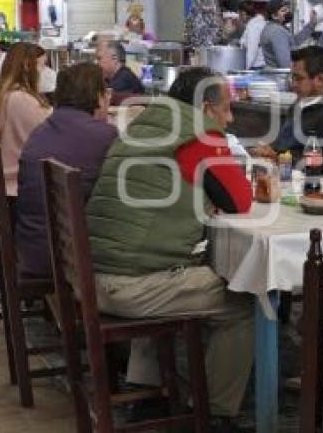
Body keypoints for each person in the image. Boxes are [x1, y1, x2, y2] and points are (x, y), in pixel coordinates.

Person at [85, 67, 254, 430]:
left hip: (92, 276)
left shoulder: (144, 125)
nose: (230, 118)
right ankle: (215, 411)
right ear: (207, 109)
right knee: (246, 298)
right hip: (128, 288)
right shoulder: (198, 137)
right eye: (226, 109)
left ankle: (147, 392)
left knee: (165, 263)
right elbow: (240, 199)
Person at [15, 63, 117, 277]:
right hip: (69, 260)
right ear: (98, 96)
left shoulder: (41, 131)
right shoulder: (105, 136)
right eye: (105, 92)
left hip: (33, 250)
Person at [0, 43, 52, 221]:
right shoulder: (22, 99)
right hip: (14, 199)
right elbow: (54, 133)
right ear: (28, 66)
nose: (47, 72)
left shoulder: (2, 94)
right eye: (42, 66)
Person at [251, 45, 323, 161]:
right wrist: (268, 150)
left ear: (320, 79)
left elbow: (319, 161)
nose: (293, 84)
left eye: (299, 78)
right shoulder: (299, 103)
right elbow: (282, 145)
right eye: (292, 77)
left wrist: (276, 157)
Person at [259, 0, 316, 69]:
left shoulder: (275, 27)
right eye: (283, 11)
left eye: (287, 9)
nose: (288, 12)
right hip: (280, 77)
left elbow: (294, 42)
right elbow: (285, 63)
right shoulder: (277, 32)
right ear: (274, 16)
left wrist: (311, 24)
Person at [238, 0, 266, 69]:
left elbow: (252, 50)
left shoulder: (254, 26)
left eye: (239, 14)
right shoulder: (257, 23)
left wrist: (247, 69)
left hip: (256, 66)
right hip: (258, 65)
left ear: (244, 13)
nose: (239, 17)